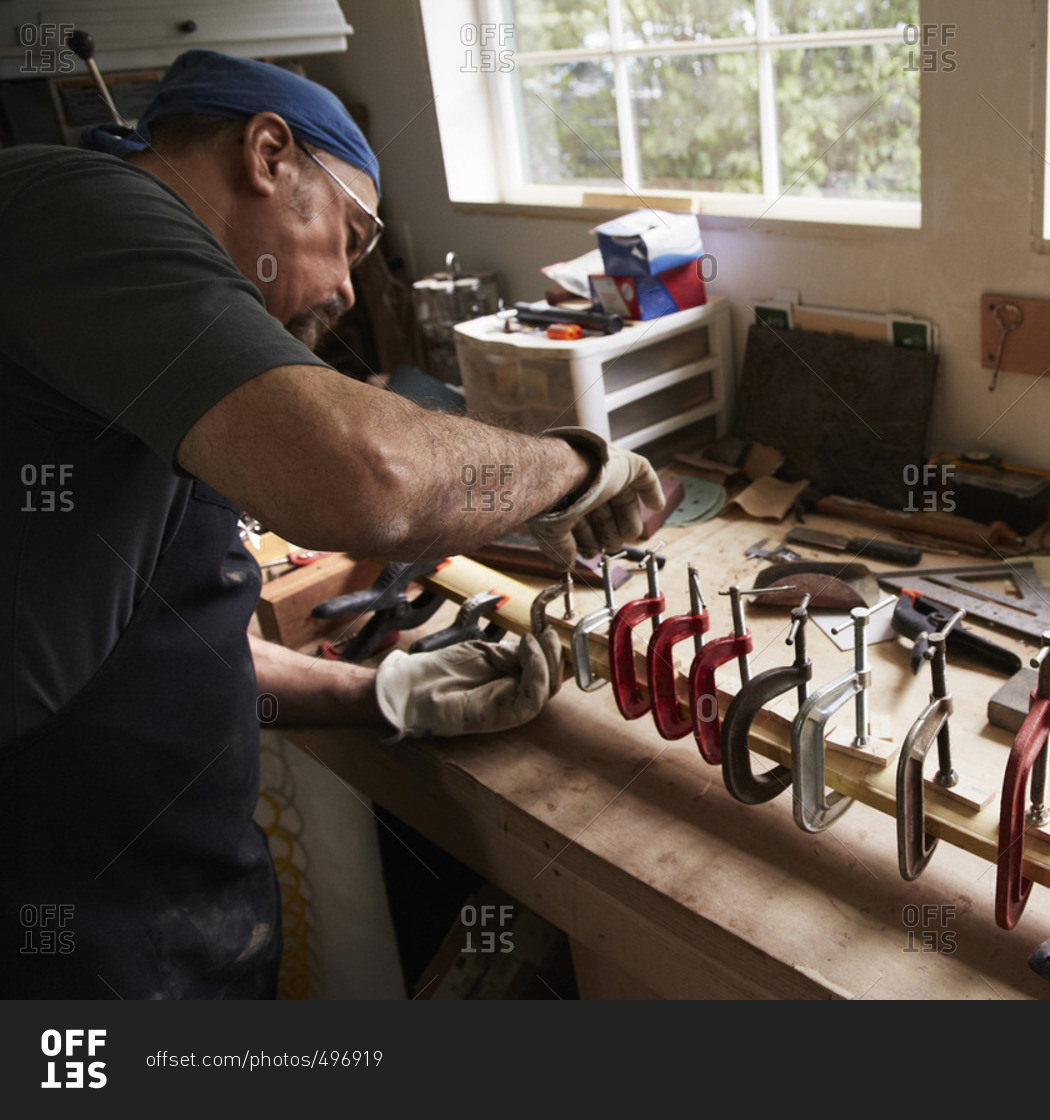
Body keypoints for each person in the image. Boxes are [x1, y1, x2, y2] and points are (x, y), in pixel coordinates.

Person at [0, 50, 663, 998]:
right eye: (351, 236)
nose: (354, 289)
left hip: (162, 910)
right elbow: (368, 482)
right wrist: (574, 468)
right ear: (269, 154)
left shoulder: (157, 367)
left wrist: (383, 695)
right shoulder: (82, 209)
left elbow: (174, 647)